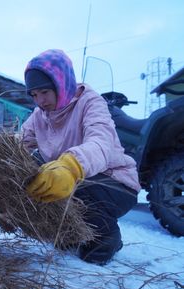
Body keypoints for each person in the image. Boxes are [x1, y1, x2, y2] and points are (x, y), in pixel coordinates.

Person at [21, 49, 141, 265]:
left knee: (79, 190)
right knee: (33, 178)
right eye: (34, 94)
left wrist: (70, 166)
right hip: (73, 180)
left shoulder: (90, 103)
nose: (40, 101)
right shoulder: (40, 115)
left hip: (114, 182)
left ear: (61, 83)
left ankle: (108, 241)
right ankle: (72, 232)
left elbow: (101, 143)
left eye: (45, 92)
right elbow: (19, 142)